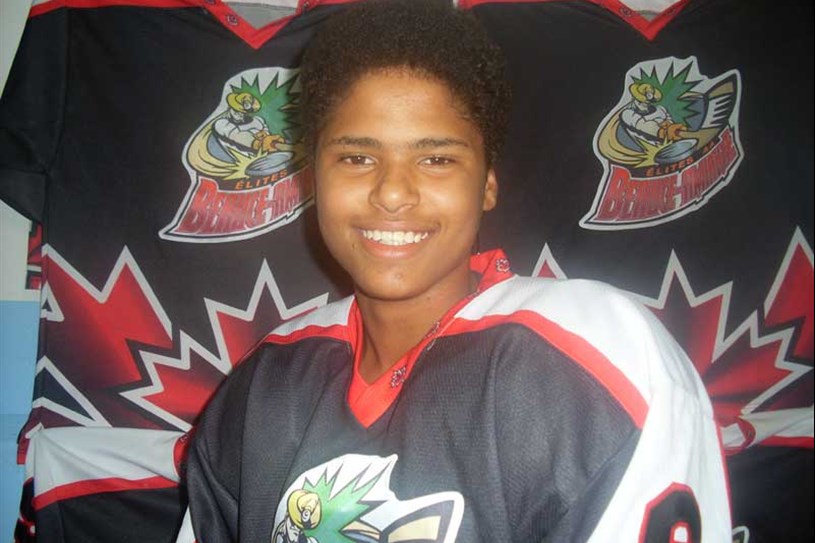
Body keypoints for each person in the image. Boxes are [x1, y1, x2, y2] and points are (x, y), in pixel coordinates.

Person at [177, 1, 731, 541]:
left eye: (436, 159)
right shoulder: (266, 383)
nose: (393, 192)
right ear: (312, 178)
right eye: (357, 157)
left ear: (487, 184)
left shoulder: (596, 362)